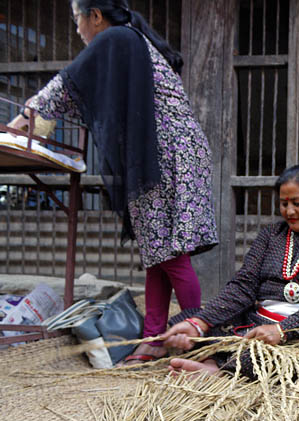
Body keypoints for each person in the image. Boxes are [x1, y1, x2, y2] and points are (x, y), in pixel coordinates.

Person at [7, 1, 219, 364]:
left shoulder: (116, 37)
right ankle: (154, 337)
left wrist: (31, 112)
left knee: (171, 253)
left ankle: (199, 342)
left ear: (95, 16)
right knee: (159, 251)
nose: (77, 30)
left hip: (166, 153)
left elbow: (71, 81)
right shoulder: (132, 40)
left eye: (77, 20)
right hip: (177, 151)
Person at [161, 165, 299, 377]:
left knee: (273, 355)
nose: (289, 211)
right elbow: (243, 285)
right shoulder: (271, 234)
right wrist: (201, 323)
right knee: (191, 321)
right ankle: (216, 361)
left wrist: (283, 330)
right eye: (283, 204)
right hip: (261, 324)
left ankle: (219, 370)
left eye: (297, 203)